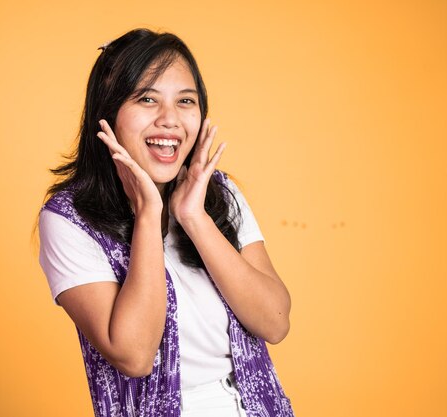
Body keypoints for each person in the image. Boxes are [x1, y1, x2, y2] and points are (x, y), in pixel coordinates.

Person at [38, 28, 294, 417]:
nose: (170, 120)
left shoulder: (218, 192)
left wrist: (193, 216)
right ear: (106, 112)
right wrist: (147, 214)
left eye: (185, 101)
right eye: (147, 99)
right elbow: (134, 355)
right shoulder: (70, 218)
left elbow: (274, 323)